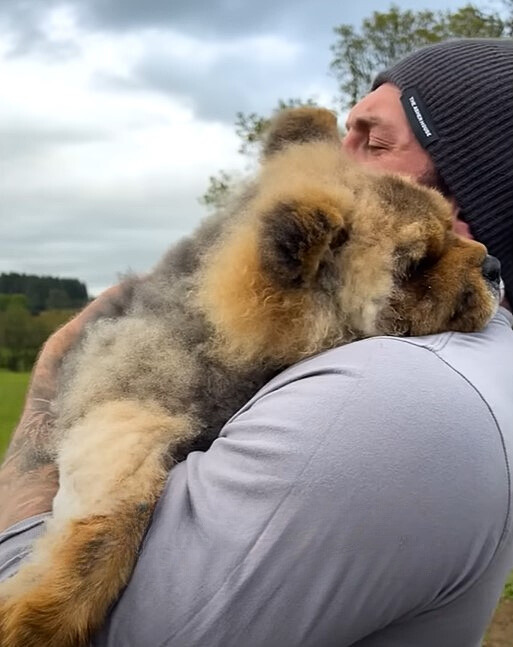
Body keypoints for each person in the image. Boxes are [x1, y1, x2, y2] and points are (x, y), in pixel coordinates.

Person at [1, 38, 512, 647]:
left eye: (374, 143)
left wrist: (46, 402)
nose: (336, 160)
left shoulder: (394, 392)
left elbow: (137, 633)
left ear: (469, 199)